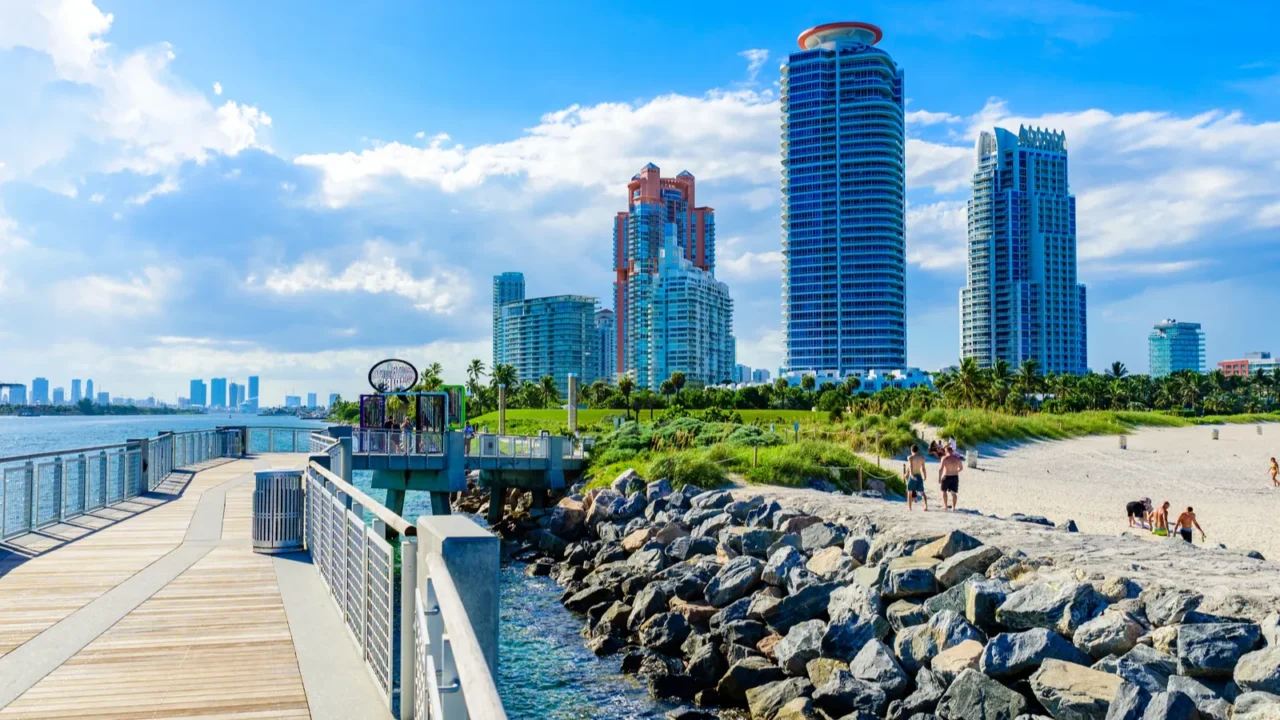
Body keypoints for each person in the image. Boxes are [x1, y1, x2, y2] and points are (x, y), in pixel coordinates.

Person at [937, 445, 964, 511]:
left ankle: (945, 506)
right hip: (955, 476)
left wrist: (939, 478)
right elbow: (961, 468)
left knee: (944, 491)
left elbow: (940, 469)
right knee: (953, 493)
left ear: (946, 451)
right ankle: (953, 507)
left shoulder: (944, 458)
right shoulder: (957, 458)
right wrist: (956, 471)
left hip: (947, 476)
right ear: (952, 451)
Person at [905, 445, 929, 511]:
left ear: (911, 450)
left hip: (912, 476)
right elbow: (923, 468)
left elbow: (910, 466)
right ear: (917, 450)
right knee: (922, 492)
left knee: (910, 492)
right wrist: (925, 476)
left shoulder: (910, 457)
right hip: (919, 475)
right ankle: (925, 506)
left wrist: (911, 475)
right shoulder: (922, 458)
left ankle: (909, 507)